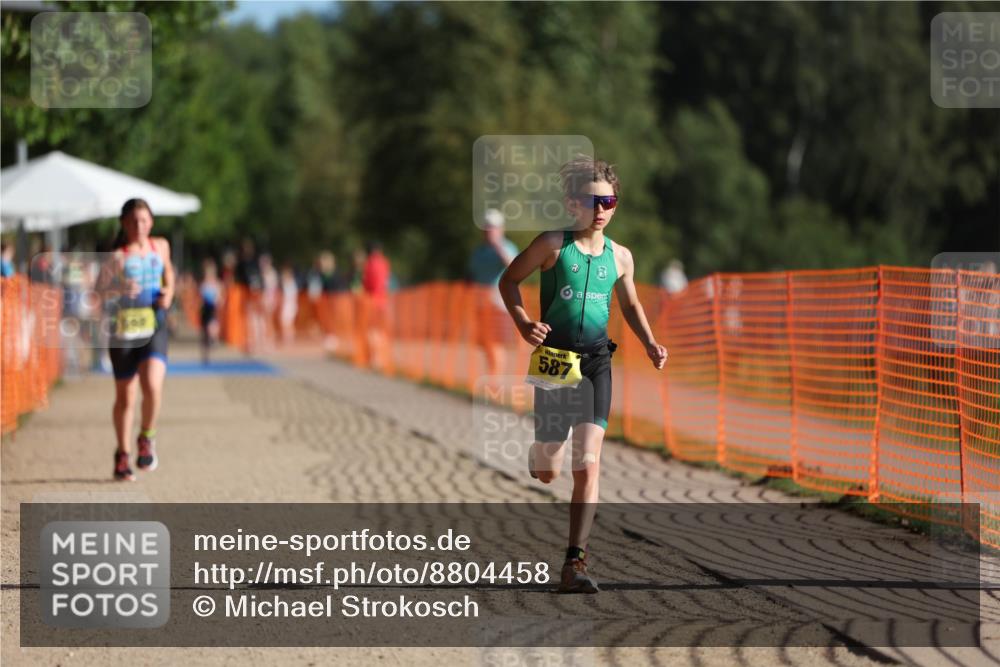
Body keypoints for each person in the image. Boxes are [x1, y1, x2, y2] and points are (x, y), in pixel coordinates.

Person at [498, 156, 667, 594]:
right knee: (549, 469)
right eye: (592, 200)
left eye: (608, 200)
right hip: (555, 363)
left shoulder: (621, 256)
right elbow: (508, 281)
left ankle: (574, 563)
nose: (601, 208)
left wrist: (649, 342)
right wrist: (522, 323)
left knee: (588, 463)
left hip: (595, 363)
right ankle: (541, 452)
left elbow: (629, 305)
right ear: (573, 203)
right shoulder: (553, 244)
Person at [96, 199, 174, 481]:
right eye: (133, 221)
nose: (139, 226)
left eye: (144, 220)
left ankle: (147, 437)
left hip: (154, 326)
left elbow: (169, 273)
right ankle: (123, 454)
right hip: (124, 331)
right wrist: (118, 287)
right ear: (124, 224)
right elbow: (99, 293)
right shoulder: (117, 256)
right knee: (126, 397)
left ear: (151, 222)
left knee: (153, 384)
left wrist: (169, 293)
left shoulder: (161, 246)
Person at [468, 209, 518, 379]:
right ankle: (493, 375)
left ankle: (495, 378)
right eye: (487, 228)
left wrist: (498, 245)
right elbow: (473, 275)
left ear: (501, 229)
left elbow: (513, 266)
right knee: (484, 342)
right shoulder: (479, 252)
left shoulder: (508, 248)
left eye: (493, 228)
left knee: (495, 342)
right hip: (480, 304)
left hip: (499, 305)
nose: (490, 231)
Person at [362, 240, 391, 369]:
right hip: (384, 300)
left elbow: (368, 284)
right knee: (380, 329)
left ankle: (375, 358)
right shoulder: (385, 262)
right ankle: (381, 357)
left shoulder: (370, 264)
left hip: (372, 300)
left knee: (372, 330)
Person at [199, 259, 223, 365]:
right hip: (205, 309)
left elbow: (220, 298)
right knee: (204, 335)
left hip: (212, 309)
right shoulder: (203, 283)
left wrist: (217, 300)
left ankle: (214, 338)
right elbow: (200, 297)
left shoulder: (216, 284)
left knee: (211, 326)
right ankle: (206, 356)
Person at [278, 264, 299, 344]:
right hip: (287, 305)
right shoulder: (286, 284)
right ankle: (287, 337)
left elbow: (291, 296)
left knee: (287, 322)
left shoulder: (290, 283)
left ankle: (289, 338)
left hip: (289, 305)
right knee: (285, 322)